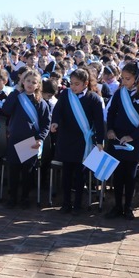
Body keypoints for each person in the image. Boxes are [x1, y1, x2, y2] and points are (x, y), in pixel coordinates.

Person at [50, 68, 105, 213]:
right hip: (66, 138)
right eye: (71, 83)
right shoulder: (65, 94)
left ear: (85, 84)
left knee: (80, 174)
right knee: (66, 173)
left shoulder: (93, 98)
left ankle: (78, 204)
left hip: (83, 141)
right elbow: (58, 110)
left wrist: (100, 141)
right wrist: (54, 122)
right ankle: (66, 203)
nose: (73, 86)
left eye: (77, 84)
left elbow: (99, 122)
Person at [104, 62, 139, 219]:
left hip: (134, 139)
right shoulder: (119, 93)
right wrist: (110, 130)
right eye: (122, 78)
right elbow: (111, 113)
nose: (124, 81)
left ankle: (128, 206)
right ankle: (117, 205)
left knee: (130, 175)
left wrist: (132, 136)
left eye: (127, 78)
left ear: (136, 78)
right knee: (118, 174)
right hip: (117, 138)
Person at [0, 69, 51, 208]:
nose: (30, 84)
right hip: (14, 139)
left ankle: (25, 198)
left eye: (34, 82)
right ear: (23, 81)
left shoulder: (41, 102)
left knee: (27, 172)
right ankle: (12, 198)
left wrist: (40, 139)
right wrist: (16, 91)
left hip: (31, 142)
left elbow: (46, 123)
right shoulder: (16, 96)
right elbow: (5, 110)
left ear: (38, 85)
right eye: (28, 81)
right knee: (14, 170)